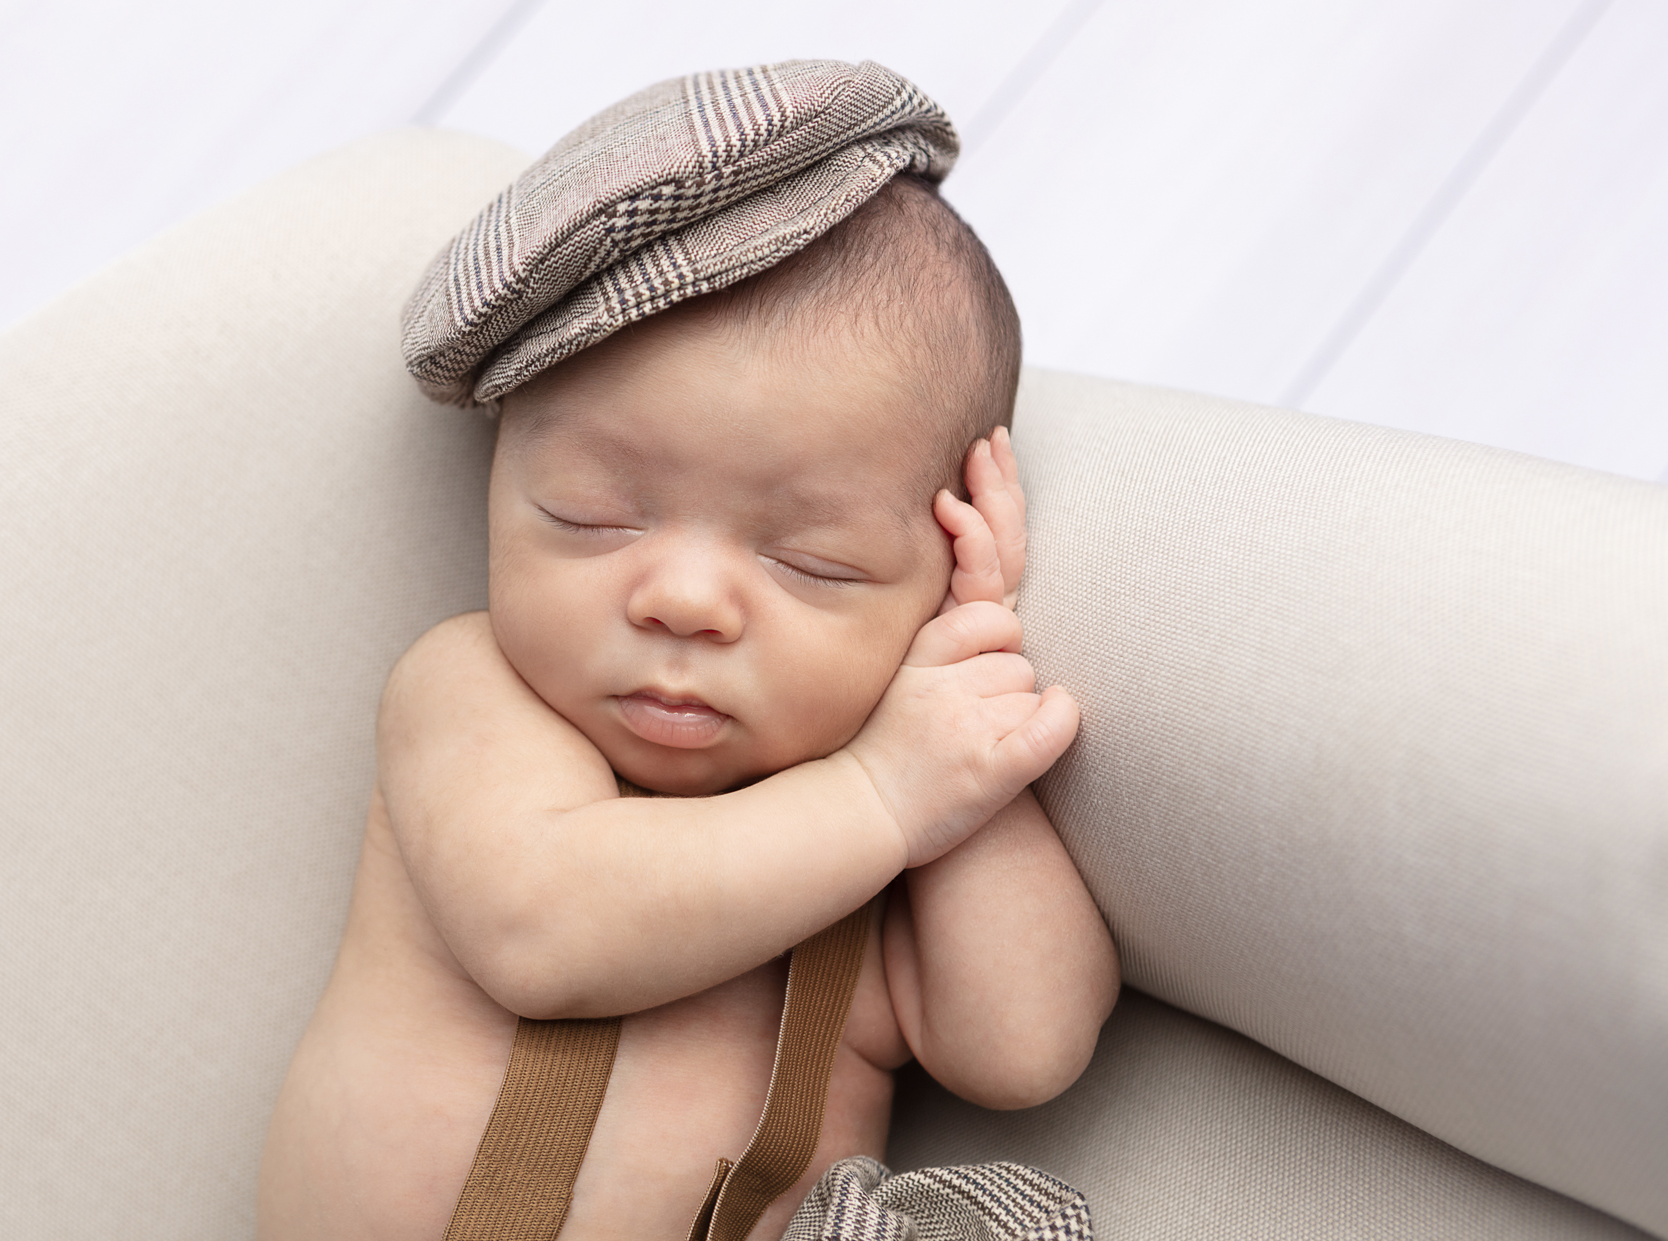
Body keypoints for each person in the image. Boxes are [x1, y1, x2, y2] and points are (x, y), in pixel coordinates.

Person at [257, 61, 1119, 1241]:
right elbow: (544, 926)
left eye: (813, 563)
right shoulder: (476, 695)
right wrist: (881, 792)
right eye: (593, 515)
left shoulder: (890, 849)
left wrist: (962, 734)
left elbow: (1027, 1047)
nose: (683, 599)